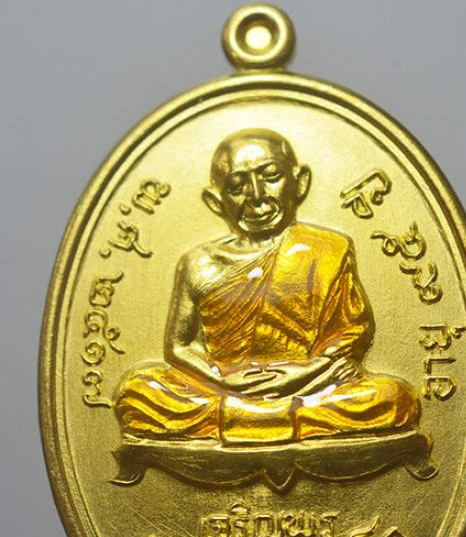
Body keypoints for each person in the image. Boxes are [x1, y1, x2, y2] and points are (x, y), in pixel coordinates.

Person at [114, 128, 419, 444]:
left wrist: (305, 372)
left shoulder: (328, 249)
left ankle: (245, 421)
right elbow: (178, 348)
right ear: (216, 201)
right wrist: (224, 379)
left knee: (394, 397)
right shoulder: (199, 262)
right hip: (223, 390)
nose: (257, 195)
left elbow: (352, 333)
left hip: (309, 386)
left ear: (300, 183)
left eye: (271, 175)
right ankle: (283, 420)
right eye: (237, 186)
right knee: (138, 392)